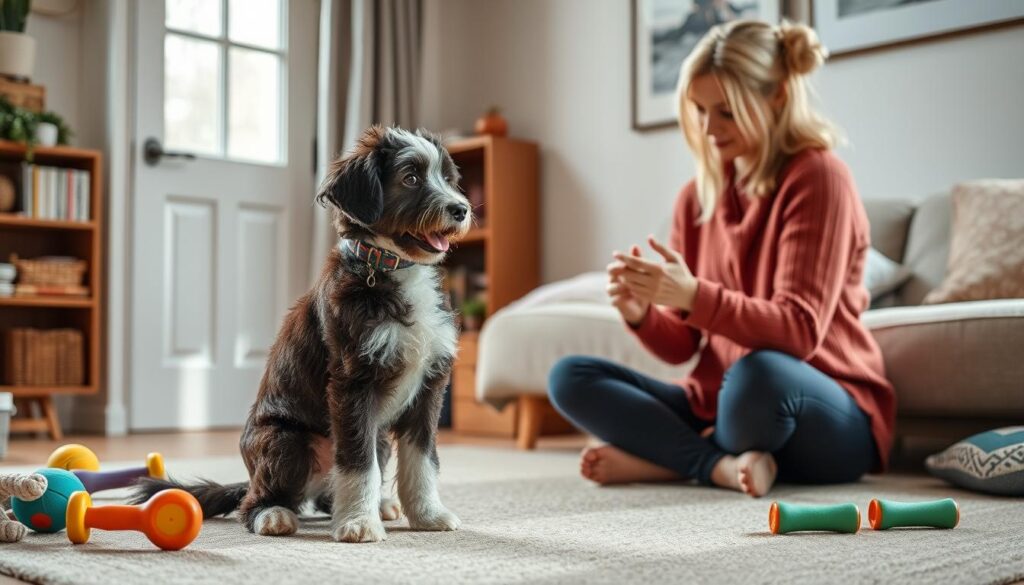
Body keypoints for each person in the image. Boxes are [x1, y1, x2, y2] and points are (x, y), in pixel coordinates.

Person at [547, 20, 895, 497]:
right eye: (699, 110)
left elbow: (799, 329)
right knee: (570, 377)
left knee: (759, 376)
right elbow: (684, 346)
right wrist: (643, 313)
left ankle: (675, 460)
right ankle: (718, 465)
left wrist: (693, 293)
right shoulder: (697, 198)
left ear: (775, 98)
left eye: (726, 112)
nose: (709, 129)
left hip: (825, 411)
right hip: (723, 403)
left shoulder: (819, 177)